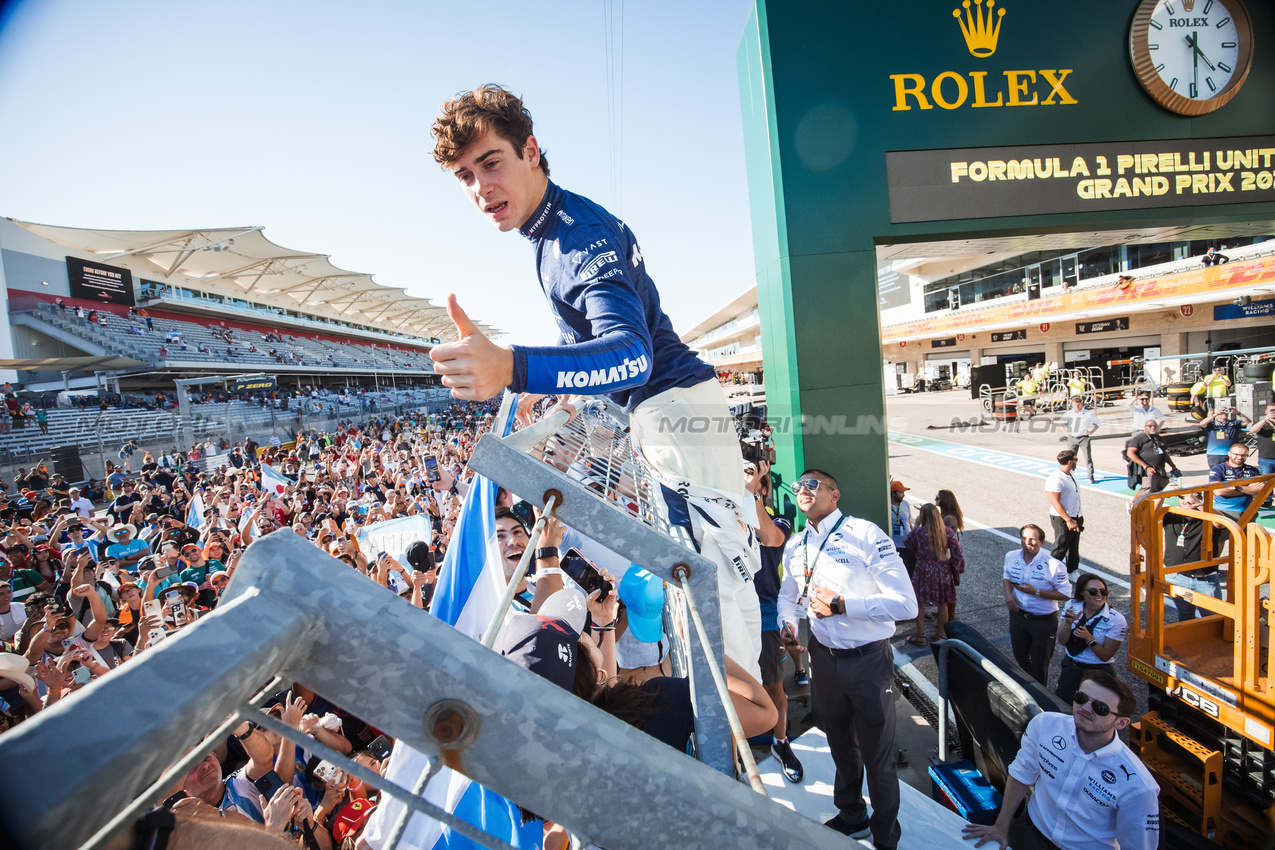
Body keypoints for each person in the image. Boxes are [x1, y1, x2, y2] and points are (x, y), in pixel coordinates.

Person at [425, 84, 762, 680]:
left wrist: (513, 366)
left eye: (491, 163)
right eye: (464, 176)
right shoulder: (555, 230)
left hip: (674, 412)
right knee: (714, 606)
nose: (481, 189)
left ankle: (739, 760)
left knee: (715, 624)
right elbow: (592, 335)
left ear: (530, 150)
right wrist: (542, 381)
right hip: (675, 414)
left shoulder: (575, 236)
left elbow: (630, 355)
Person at [777, 469, 917, 848]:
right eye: (797, 486)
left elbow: (906, 603)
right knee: (840, 744)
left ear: (834, 494)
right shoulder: (796, 544)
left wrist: (844, 605)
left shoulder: (866, 534)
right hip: (824, 657)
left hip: (868, 660)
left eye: (812, 485)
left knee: (879, 756)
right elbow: (788, 595)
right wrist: (786, 624)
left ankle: (886, 838)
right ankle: (852, 815)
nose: (802, 490)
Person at [962, 671, 1159, 850]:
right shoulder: (1045, 725)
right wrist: (1001, 826)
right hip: (1027, 835)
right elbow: (1021, 774)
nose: (1085, 708)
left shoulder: (1139, 785)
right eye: (1081, 698)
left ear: (1122, 722)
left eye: (1100, 708)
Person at [746, 460, 803, 783]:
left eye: (755, 481)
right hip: (734, 613)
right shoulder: (730, 515)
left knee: (773, 687)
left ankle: (781, 742)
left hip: (766, 614)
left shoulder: (780, 518)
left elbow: (771, 538)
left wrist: (750, 493)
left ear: (764, 489)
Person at [1003, 523, 1071, 685]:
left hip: (1043, 622)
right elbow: (1006, 576)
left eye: (1033, 539)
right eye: (1024, 538)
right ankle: (1030, 685)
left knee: (1040, 663)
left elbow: (1066, 594)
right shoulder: (1011, 556)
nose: (1028, 542)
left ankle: (1039, 695)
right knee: (1020, 656)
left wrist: (1037, 592)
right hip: (1018, 617)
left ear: (1042, 542)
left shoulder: (1055, 566)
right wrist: (1008, 595)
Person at [1054, 573, 1126, 703]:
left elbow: (1106, 656)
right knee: (1062, 704)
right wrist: (1067, 623)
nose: (1099, 595)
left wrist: (1090, 639)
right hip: (1072, 667)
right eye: (1093, 591)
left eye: (1103, 591)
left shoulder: (1116, 619)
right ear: (1082, 592)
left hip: (1098, 671)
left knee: (1094, 710)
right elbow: (1062, 641)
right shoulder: (1073, 605)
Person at [902, 504, 963, 647]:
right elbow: (957, 553)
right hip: (942, 569)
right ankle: (940, 634)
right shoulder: (947, 532)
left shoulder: (919, 532)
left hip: (923, 569)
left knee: (919, 603)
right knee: (943, 603)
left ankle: (920, 636)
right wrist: (957, 569)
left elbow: (908, 544)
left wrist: (916, 526)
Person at [1163, 490, 1227, 621]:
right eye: (1182, 497)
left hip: (1205, 579)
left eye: (1192, 497)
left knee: (1212, 619)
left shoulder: (1208, 517)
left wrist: (1198, 504)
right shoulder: (1171, 515)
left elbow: (1221, 522)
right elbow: (1148, 514)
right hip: (1177, 576)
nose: (1186, 501)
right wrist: (1163, 493)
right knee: (1185, 616)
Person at [1045, 449, 1085, 577]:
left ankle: (1072, 570)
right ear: (1070, 462)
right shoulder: (1056, 478)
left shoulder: (1070, 474)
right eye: (1075, 459)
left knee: (1073, 546)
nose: (1076, 461)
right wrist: (1068, 519)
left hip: (1076, 515)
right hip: (1062, 518)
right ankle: (1049, 573)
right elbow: (1054, 501)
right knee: (1061, 547)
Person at [1208, 442, 1264, 522]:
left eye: (1244, 455)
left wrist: (1237, 488)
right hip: (1223, 510)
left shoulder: (1253, 470)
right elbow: (1218, 491)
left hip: (1247, 511)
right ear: (1229, 454)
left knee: (1246, 534)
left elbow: (1259, 490)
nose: (1240, 457)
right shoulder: (1218, 469)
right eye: (1236, 454)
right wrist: (1248, 489)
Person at [1126, 419, 1181, 498]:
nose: (1153, 428)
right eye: (1150, 426)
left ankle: (1156, 508)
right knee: (1147, 489)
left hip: (1160, 468)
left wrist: (1173, 466)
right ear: (1145, 427)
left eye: (1155, 426)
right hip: (1148, 469)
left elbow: (1164, 453)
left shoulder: (1159, 439)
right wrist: (1145, 466)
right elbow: (1130, 453)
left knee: (1163, 489)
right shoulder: (1139, 438)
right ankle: (1133, 504)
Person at [1059, 395, 1101, 483]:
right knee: (1070, 459)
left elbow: (1098, 423)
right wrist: (1066, 432)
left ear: (1081, 404)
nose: (1076, 407)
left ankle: (1091, 476)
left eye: (1078, 405)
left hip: (1083, 438)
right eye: (1074, 405)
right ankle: (1070, 475)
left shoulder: (1088, 413)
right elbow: (1061, 422)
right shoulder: (1069, 413)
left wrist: (1091, 431)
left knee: (1088, 458)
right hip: (1072, 438)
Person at [1198, 404, 1249, 469]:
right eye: (1222, 412)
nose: (1224, 413)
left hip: (1231, 453)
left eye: (1226, 411)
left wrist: (1238, 413)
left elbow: (1247, 421)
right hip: (1215, 453)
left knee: (1232, 472)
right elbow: (1202, 424)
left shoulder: (1233, 423)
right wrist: (1214, 415)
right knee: (1216, 472)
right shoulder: (1212, 424)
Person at [1245, 401, 1275, 476]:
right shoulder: (1262, 423)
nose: (1273, 412)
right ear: (1266, 411)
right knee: (1266, 482)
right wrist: (1265, 419)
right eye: (1271, 410)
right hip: (1266, 458)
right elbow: (1253, 430)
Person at [888, 481, 912, 570]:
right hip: (894, 546)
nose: (903, 495)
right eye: (901, 492)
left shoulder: (905, 504)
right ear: (893, 493)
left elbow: (908, 522)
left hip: (907, 545)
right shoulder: (886, 506)